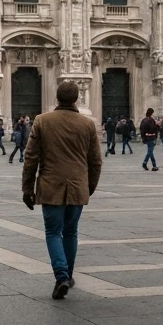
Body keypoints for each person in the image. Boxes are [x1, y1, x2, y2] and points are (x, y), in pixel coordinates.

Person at [21, 80, 102, 300]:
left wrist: (27, 189)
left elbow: (31, 159)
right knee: (71, 232)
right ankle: (68, 274)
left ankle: (61, 275)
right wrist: (89, 187)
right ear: (77, 98)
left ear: (57, 98)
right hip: (77, 188)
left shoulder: (42, 121)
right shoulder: (87, 124)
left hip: (50, 187)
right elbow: (96, 161)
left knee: (53, 232)